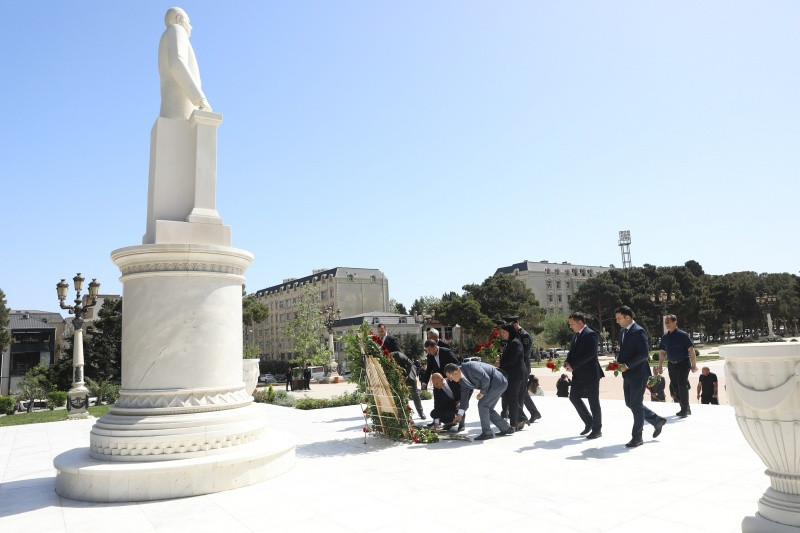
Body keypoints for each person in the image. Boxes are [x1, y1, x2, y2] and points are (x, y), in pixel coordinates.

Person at [615, 306, 666, 448]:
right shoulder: (622, 332)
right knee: (630, 403)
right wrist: (618, 364)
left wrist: (628, 365)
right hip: (627, 373)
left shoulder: (639, 331)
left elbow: (644, 354)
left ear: (628, 317)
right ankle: (656, 420)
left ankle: (637, 437)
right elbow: (624, 351)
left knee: (635, 405)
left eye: (619, 318)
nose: (617, 321)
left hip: (639, 373)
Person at [158, 7, 212, 120]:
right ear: (178, 19)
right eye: (188, 22)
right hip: (181, 110)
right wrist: (199, 99)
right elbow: (177, 62)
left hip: (169, 107)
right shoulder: (177, 29)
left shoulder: (165, 37)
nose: (191, 27)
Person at [445, 361, 514, 441]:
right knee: (487, 409)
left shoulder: (470, 367)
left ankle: (487, 433)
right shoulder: (461, 381)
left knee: (482, 405)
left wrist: (482, 393)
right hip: (492, 386)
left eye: (450, 377)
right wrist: (460, 414)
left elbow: (485, 379)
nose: (450, 380)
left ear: (455, 372)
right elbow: (464, 398)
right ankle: (506, 428)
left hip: (498, 382)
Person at [564, 312, 604, 439]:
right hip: (579, 374)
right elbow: (572, 351)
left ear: (580, 322)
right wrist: (567, 362)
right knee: (573, 397)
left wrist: (574, 365)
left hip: (591, 374)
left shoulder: (590, 334)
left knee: (593, 402)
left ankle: (597, 430)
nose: (571, 326)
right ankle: (589, 421)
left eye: (572, 324)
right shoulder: (576, 335)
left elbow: (591, 354)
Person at [657, 314, 698, 418]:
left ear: (675, 322)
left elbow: (691, 350)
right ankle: (685, 407)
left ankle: (684, 410)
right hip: (671, 364)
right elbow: (662, 352)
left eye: (668, 322)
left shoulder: (682, 334)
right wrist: (660, 365)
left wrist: (694, 365)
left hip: (683, 363)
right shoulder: (665, 337)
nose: (666, 324)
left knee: (681, 384)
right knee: (675, 386)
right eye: (665, 322)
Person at [506, 316, 541, 423]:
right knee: (522, 392)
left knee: (520, 393)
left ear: (515, 324)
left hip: (523, 366)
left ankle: (519, 419)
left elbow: (524, 353)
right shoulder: (516, 335)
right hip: (519, 366)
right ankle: (533, 413)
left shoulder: (524, 335)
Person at [498, 324, 528, 432]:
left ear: (510, 332)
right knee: (510, 397)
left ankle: (513, 424)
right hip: (511, 374)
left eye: (504, 333)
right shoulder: (510, 342)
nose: (502, 335)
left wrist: (500, 363)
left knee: (512, 398)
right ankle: (520, 419)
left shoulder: (515, 342)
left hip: (516, 374)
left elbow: (514, 360)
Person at [392, 351, 425, 419]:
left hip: (409, 376)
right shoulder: (388, 355)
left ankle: (421, 412)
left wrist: (406, 375)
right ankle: (403, 415)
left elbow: (410, 363)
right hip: (398, 378)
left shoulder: (398, 355)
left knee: (415, 394)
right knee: (399, 396)